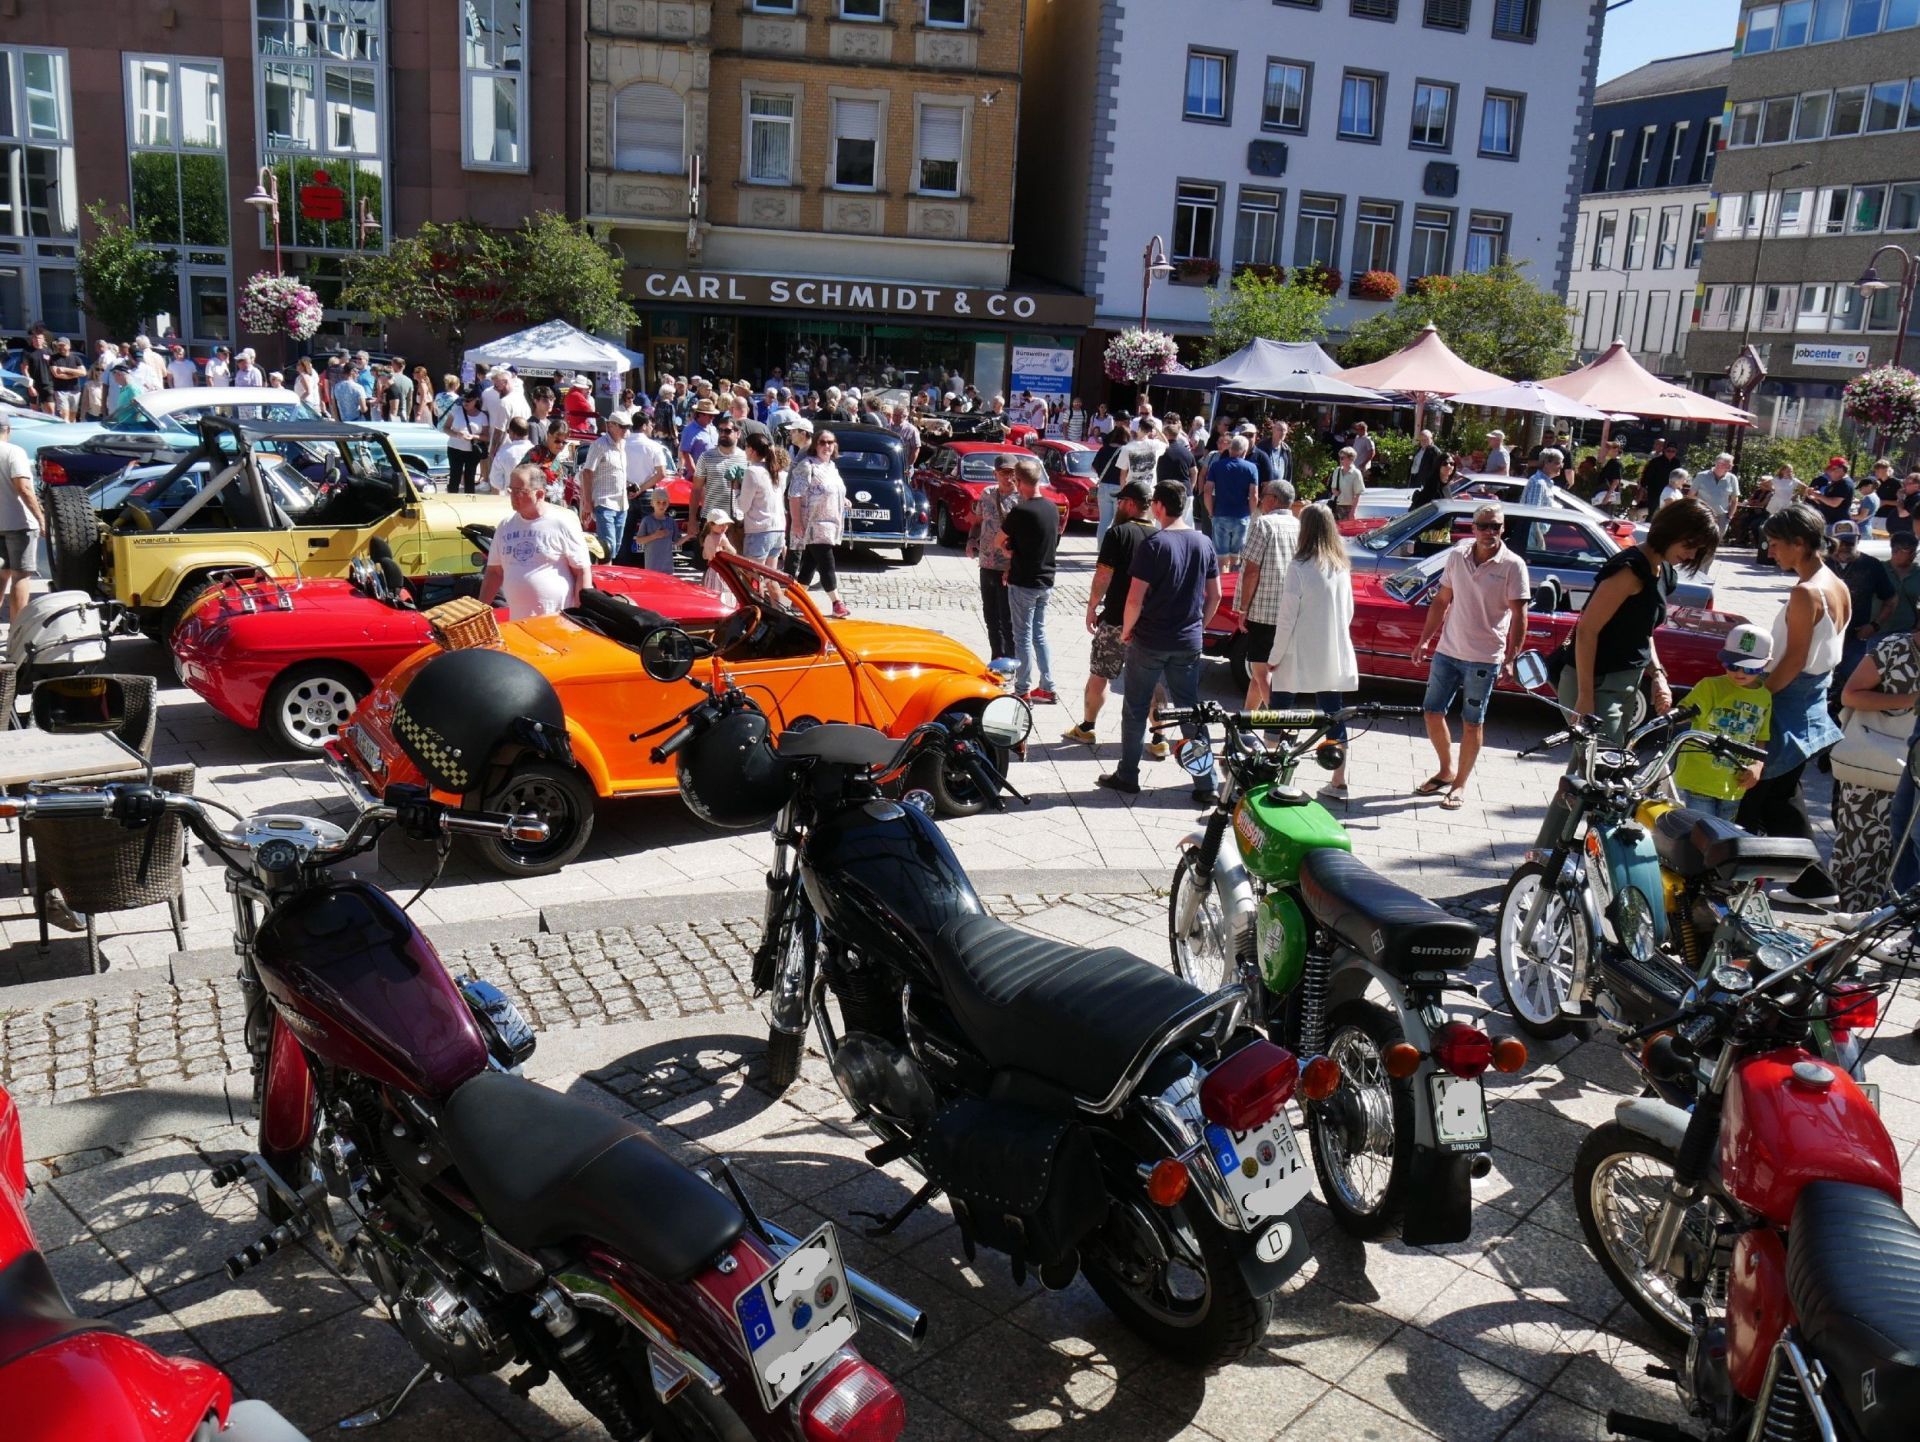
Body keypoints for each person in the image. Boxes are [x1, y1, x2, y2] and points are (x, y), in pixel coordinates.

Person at [1536, 498, 1721, 845]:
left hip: (1622, 686)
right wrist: (1586, 699)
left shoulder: (1662, 571)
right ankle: (1554, 860)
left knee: (1587, 779)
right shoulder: (1630, 568)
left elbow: (1643, 632)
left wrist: (1659, 675)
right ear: (1672, 531)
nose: (1691, 555)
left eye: (1699, 550)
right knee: (1600, 781)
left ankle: (1551, 858)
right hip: (1594, 683)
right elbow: (1588, 631)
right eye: (1690, 544)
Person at [1727, 504, 1849, 903]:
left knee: (1751, 793)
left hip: (1788, 699)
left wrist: (1756, 697)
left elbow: (1794, 660)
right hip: (1810, 698)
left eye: (1776, 544)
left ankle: (1730, 882)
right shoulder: (1836, 583)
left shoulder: (1806, 591)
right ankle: (1813, 883)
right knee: (1780, 798)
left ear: (1800, 543)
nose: (1770, 551)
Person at [1099, 481, 1222, 801]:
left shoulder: (1154, 544)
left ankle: (1128, 774)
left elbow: (1134, 599)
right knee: (1190, 710)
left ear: (1159, 506)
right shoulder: (1203, 542)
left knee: (1136, 707)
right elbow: (1216, 595)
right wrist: (1199, 626)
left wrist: (1127, 630)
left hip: (1150, 640)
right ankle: (1205, 782)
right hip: (1188, 642)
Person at [1413, 502, 1530, 811]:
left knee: (1471, 723)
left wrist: (1511, 657)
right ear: (1474, 527)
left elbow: (1520, 615)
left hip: (1484, 657)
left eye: (1496, 526)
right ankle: (1446, 770)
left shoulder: (1513, 565)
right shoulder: (1457, 556)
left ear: (1503, 529)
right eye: (1484, 525)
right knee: (1431, 712)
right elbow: (1441, 601)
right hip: (1447, 651)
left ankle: (1460, 784)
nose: (1490, 532)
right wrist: (1425, 641)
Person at [1265, 505, 1358, 798]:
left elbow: (1287, 617)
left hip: (1298, 650)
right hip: (1331, 650)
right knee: (1334, 712)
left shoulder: (1299, 567)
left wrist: (1274, 656)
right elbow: (1349, 612)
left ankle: (1270, 769)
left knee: (1280, 709)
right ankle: (1339, 779)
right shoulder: (1340, 566)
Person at [1837, 607, 1920, 908]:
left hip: (1913, 769)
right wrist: (1910, 701)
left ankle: (1891, 918)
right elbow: (1850, 695)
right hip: (1872, 763)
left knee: (1905, 852)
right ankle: (1854, 918)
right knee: (1861, 847)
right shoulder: (1894, 648)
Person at [1065, 479, 1155, 744]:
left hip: (1116, 618)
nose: (1117, 505)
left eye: (1120, 501)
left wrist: (1092, 606)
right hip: (1147, 623)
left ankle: (1087, 726)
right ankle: (1159, 736)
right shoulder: (1160, 536)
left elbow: (1103, 575)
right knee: (1153, 682)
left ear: (1129, 504)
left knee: (1100, 674)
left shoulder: (1118, 534)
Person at [1673, 624, 1774, 820]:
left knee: (1724, 837)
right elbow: (1685, 712)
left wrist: (1757, 766)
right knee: (1702, 833)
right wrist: (1674, 714)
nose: (1739, 673)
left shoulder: (1764, 697)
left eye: (1750, 668)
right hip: (1700, 778)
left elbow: (1761, 736)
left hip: (1736, 782)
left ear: (1766, 664)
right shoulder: (1710, 686)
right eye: (1732, 665)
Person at [480, 465, 592, 621]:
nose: (513, 496)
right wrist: (481, 610)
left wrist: (581, 618)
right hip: (520, 624)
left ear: (539, 494)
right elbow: (495, 572)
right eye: (511, 491)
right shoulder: (505, 526)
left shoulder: (563, 522)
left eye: (520, 492)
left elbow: (582, 572)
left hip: (558, 622)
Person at [996, 458, 1059, 704]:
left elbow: (998, 541)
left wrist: (1008, 552)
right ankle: (1048, 686)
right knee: (1039, 634)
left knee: (1021, 636)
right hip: (1046, 580)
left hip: (1024, 582)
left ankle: (1022, 688)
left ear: (1019, 482)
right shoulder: (1052, 508)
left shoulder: (1021, 511)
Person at [1238, 479, 1301, 709]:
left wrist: (1243, 608)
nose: (1260, 499)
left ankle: (1281, 724)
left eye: (1264, 495)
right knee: (1261, 670)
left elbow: (1252, 570)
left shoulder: (1263, 524)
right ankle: (1247, 719)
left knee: (1260, 669)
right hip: (1290, 609)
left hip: (1263, 610)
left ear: (1274, 499)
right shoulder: (1299, 525)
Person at [789, 429, 849, 617]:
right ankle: (837, 603)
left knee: (809, 563)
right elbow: (794, 495)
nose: (826, 446)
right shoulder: (807, 466)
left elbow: (834, 490)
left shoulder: (832, 467)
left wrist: (843, 500)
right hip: (813, 525)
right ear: (815, 444)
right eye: (822, 442)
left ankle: (796, 601)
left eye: (830, 442)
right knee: (826, 563)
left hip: (831, 524)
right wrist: (797, 522)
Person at [966, 455, 1019, 662]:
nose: (1009, 477)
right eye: (1004, 473)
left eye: (1012, 472)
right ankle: (996, 658)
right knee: (990, 617)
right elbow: (978, 522)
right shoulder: (987, 494)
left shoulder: (1021, 499)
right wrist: (971, 540)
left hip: (1008, 567)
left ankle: (1011, 660)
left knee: (1007, 619)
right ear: (995, 474)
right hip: (987, 564)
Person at [0, 417, 44, 625]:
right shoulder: (13, 452)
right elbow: (23, 488)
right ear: (7, 429)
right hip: (20, 524)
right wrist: (40, 518)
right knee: (20, 576)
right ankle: (17, 634)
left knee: (1, 576)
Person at [579, 411, 632, 561]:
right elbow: (587, 472)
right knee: (608, 547)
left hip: (622, 504)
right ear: (611, 426)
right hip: (604, 502)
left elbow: (617, 472)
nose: (625, 430)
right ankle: (605, 578)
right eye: (622, 426)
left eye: (627, 427)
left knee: (616, 547)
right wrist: (587, 503)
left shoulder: (623, 444)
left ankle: (606, 574)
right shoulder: (599, 445)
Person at [1204, 435, 1259, 572]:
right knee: (1237, 558)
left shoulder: (1216, 466)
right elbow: (1254, 495)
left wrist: (1211, 512)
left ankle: (1221, 587)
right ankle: (1234, 589)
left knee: (1221, 557)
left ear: (1230, 449)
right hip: (1242, 516)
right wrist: (1252, 515)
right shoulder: (1251, 468)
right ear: (1244, 451)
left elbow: (1207, 491)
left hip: (1220, 513)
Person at [737, 432, 788, 568]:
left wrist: (736, 489)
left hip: (759, 530)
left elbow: (743, 506)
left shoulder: (752, 471)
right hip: (778, 528)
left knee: (752, 578)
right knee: (770, 579)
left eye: (746, 447)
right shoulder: (779, 472)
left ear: (751, 450)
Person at [443, 389, 488, 495]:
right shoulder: (456, 410)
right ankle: (452, 499)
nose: (465, 403)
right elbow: (446, 428)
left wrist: (473, 436)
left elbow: (487, 437)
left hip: (472, 451)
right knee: (455, 476)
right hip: (454, 448)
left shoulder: (482, 416)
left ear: (476, 400)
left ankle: (469, 502)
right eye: (463, 400)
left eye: (468, 401)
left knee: (470, 478)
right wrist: (457, 434)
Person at [1089, 425, 1127, 540]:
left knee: (1103, 521)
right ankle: (1112, 550)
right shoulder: (1124, 451)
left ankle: (1100, 549)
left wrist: (1102, 474)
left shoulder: (1103, 449)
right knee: (1117, 522)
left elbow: (1093, 467)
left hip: (1103, 486)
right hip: (1118, 487)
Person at [632, 489, 681, 573]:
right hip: (652, 567)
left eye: (664, 502)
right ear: (652, 503)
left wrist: (688, 536)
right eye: (658, 502)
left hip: (667, 567)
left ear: (668, 504)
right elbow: (639, 540)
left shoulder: (671, 521)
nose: (661, 505)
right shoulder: (647, 521)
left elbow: (676, 542)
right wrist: (654, 536)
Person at [1694, 452, 1740, 534]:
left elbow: (1734, 499)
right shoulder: (1701, 476)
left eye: (1731, 465)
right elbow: (1691, 495)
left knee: (1717, 539)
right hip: (1703, 514)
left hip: (1722, 516)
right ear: (1719, 464)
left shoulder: (1732, 478)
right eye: (1729, 465)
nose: (1731, 467)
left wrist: (1729, 516)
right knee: (1701, 539)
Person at [488, 416, 534, 494]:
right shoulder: (536, 451)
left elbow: (496, 483)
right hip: (531, 500)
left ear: (512, 433)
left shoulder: (503, 453)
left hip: (510, 499)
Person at [699, 508, 738, 602]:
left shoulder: (722, 536)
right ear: (711, 525)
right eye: (721, 525)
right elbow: (709, 557)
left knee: (726, 595)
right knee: (715, 595)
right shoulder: (709, 538)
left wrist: (726, 544)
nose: (724, 527)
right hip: (715, 571)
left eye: (726, 525)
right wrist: (719, 545)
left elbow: (733, 553)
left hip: (724, 570)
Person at [1808, 455, 1855, 529]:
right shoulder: (1835, 482)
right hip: (1829, 522)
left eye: (1833, 469)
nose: (1829, 472)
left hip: (1837, 524)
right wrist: (1815, 497)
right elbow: (1827, 501)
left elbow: (1834, 503)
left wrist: (1819, 496)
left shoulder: (1845, 483)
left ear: (1841, 469)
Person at [1330, 445, 1366, 520]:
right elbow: (1333, 488)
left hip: (1348, 508)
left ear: (1351, 459)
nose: (1340, 460)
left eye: (1342, 458)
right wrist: (1335, 491)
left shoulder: (1356, 473)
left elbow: (1357, 494)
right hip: (1335, 505)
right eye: (1340, 458)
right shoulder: (1337, 470)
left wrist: (1352, 512)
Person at [1408, 429, 1443, 498]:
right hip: (1415, 478)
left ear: (1431, 439)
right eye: (1421, 440)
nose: (1423, 442)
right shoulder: (1419, 449)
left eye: (1426, 439)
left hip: (1424, 482)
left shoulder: (1434, 451)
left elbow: (1437, 468)